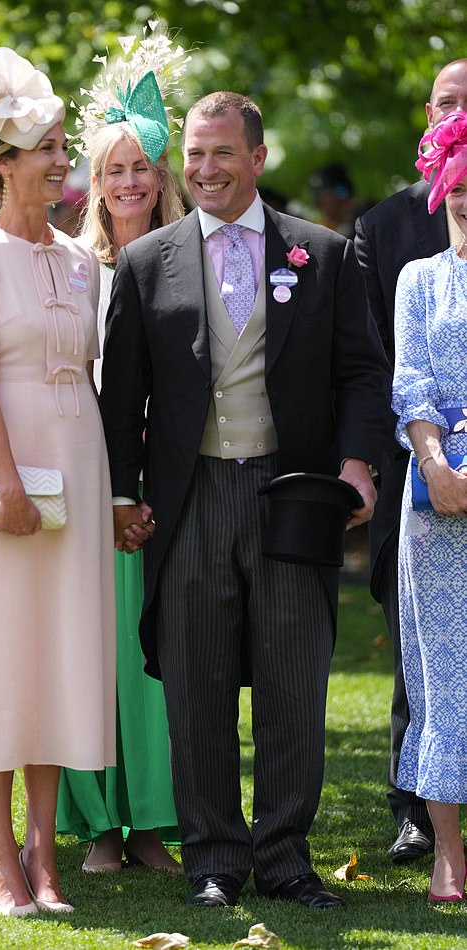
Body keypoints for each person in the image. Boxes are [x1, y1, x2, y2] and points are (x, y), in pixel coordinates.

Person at [100, 90, 390, 909]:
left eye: (222, 153)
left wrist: (358, 465)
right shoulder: (146, 261)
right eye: (193, 154)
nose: (204, 169)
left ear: (258, 159)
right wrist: (125, 495)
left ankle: (286, 856)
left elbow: (362, 373)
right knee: (193, 680)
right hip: (189, 498)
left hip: (292, 492)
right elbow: (121, 399)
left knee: (294, 676)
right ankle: (216, 859)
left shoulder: (322, 254)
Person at [0, 47, 116, 916]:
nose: (59, 162)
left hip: (78, 461)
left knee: (61, 655)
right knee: (4, 657)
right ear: (2, 163)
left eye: (60, 147)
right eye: (45, 148)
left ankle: (48, 855)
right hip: (1, 465)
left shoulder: (84, 263)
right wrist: (5, 482)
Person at [56, 29, 186, 873]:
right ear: (94, 182)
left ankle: (154, 822)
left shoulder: (195, 259)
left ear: (163, 174)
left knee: (160, 658)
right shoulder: (70, 268)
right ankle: (101, 822)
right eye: (114, 169)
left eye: (141, 166)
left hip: (171, 485)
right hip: (89, 481)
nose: (128, 181)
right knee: (91, 651)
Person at [354, 57, 467, 865]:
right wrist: (426, 462)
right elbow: (394, 373)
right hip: (426, 484)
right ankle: (430, 830)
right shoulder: (398, 247)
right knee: (426, 661)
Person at [391, 110, 467, 902]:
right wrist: (437, 464)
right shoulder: (419, 277)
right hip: (437, 502)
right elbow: (410, 380)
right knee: (444, 675)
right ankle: (448, 848)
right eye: (459, 190)